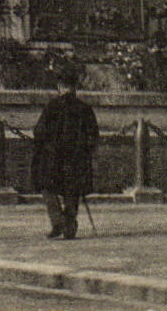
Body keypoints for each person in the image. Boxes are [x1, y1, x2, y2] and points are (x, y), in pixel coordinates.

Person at [29, 68, 99, 239]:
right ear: (75, 87)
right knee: (72, 192)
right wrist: (85, 151)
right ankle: (69, 225)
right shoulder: (84, 108)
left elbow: (39, 131)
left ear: (60, 87)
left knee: (47, 187)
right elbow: (93, 135)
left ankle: (58, 220)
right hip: (76, 158)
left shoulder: (52, 106)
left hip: (53, 158)